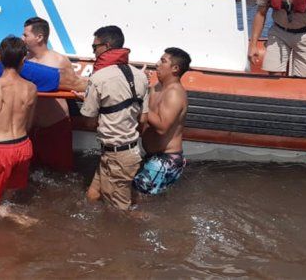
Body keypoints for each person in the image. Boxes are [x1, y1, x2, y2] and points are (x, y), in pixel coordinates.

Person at [76, 25, 148, 211]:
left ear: (106, 47)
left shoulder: (99, 78)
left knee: (118, 213)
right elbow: (143, 119)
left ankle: (129, 237)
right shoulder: (140, 76)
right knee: (93, 196)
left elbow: (89, 121)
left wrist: (91, 101)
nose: (93, 53)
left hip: (116, 156)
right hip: (128, 152)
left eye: (95, 47)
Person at [0, 36, 38, 226]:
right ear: (23, 60)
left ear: (0, 58)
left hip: (0, 151)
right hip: (23, 146)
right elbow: (29, 123)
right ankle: (8, 219)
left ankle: (16, 218)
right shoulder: (31, 88)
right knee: (8, 194)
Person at [22, 17, 76, 172]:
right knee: (30, 174)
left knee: (61, 174)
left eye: (26, 35)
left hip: (55, 126)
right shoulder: (23, 59)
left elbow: (73, 87)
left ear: (39, 37)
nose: (22, 38)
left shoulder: (59, 61)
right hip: (30, 127)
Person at [133, 48, 190, 196]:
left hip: (166, 159)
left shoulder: (174, 93)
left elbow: (162, 127)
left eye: (163, 61)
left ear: (175, 69)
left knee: (138, 202)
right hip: (152, 157)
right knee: (139, 199)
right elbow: (144, 117)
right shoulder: (157, 87)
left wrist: (138, 101)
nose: (157, 64)